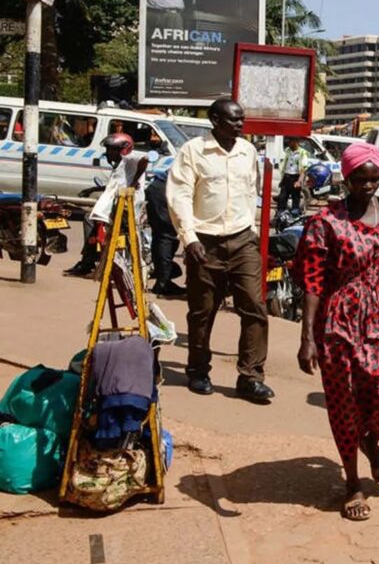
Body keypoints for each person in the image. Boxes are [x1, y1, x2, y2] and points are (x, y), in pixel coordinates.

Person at [294, 142, 379, 520]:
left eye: (374, 179)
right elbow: (313, 282)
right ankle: (352, 483)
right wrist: (307, 340)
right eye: (360, 180)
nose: (368, 186)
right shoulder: (325, 223)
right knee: (344, 404)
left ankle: (371, 441)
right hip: (341, 323)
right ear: (346, 178)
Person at [167, 99, 271, 403]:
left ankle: (250, 377)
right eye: (233, 120)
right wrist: (190, 238)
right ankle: (198, 370)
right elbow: (180, 196)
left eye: (242, 119)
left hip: (242, 240)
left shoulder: (247, 151)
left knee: (254, 306)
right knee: (202, 311)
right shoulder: (193, 151)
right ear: (214, 120)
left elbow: (252, 190)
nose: (240, 125)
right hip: (204, 242)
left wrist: (249, 230)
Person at [64, 132, 151, 277]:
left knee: (89, 220)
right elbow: (114, 186)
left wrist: (134, 182)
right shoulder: (121, 166)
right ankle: (90, 260)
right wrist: (92, 189)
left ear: (123, 149)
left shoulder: (128, 159)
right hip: (118, 206)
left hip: (127, 208)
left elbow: (145, 159)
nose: (108, 153)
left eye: (111, 149)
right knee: (93, 222)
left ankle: (88, 262)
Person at [144, 169, 185, 298]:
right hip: (165, 189)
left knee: (162, 234)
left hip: (160, 187)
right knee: (167, 234)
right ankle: (163, 283)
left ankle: (163, 281)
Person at [277, 137, 311, 214]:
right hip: (286, 177)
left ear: (296, 141)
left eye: (290, 140)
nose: (288, 142)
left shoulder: (302, 153)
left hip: (295, 178)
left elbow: (303, 169)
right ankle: (280, 216)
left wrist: (299, 181)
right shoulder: (287, 151)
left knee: (295, 199)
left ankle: (294, 216)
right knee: (282, 198)